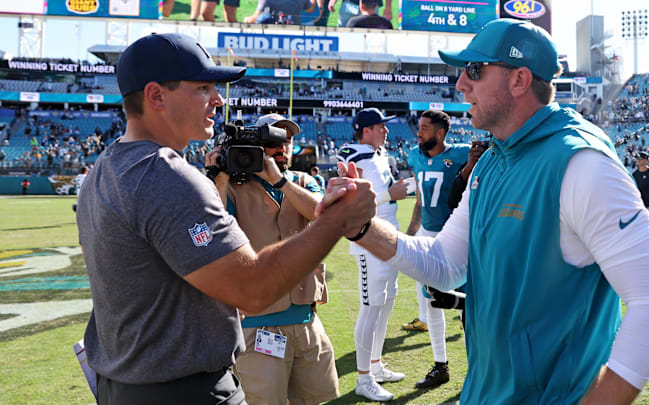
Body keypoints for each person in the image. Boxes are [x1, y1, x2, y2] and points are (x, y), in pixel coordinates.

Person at [323, 18, 649, 404]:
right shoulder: (494, 159)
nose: (460, 83)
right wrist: (361, 227)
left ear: (519, 81)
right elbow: (444, 262)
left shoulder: (581, 163)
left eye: (475, 70)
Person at [75, 33, 374, 405]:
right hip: (182, 389)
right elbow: (251, 289)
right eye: (203, 88)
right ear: (156, 96)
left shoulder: (105, 168)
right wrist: (336, 220)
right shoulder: (166, 176)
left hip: (130, 382)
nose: (218, 100)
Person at [206, 113, 339, 405]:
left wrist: (280, 182)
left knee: (314, 399)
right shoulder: (233, 187)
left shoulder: (304, 181)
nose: (282, 149)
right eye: (272, 142)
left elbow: (323, 215)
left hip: (307, 320)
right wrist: (219, 177)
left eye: (287, 141)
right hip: (256, 325)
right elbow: (214, 232)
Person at [336, 107, 409, 402]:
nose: (387, 131)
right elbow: (353, 198)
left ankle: (375, 366)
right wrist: (391, 194)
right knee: (371, 304)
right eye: (381, 126)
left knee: (386, 300)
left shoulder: (377, 154)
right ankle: (363, 379)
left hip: (388, 236)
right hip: (368, 238)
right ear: (366, 130)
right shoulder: (354, 153)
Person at [403, 109, 469, 389]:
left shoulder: (464, 152)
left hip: (456, 236)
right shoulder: (415, 156)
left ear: (441, 133)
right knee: (432, 303)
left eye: (425, 128)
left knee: (467, 308)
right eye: (419, 127)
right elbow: (419, 198)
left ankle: (476, 370)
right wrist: (411, 231)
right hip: (427, 235)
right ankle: (440, 366)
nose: (419, 132)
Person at [632, 151, 649, 221]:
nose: (638, 160)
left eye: (640, 159)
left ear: (646, 160)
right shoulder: (634, 174)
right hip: (637, 206)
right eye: (637, 159)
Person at [244, 0, 315, 24]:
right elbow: (310, 9)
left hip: (273, 33)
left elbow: (255, 18)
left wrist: (247, 20)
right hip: (295, 32)